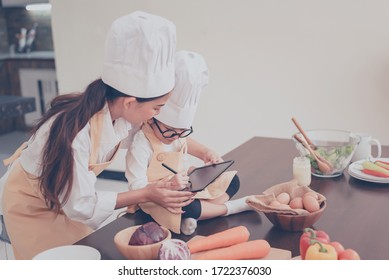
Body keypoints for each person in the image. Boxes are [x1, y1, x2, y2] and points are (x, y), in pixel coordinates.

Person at [0, 11, 194, 260]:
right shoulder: (75, 136)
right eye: (156, 108)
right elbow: (82, 205)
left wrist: (201, 151)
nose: (156, 116)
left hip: (64, 197)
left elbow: (160, 133)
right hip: (32, 205)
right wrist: (147, 193)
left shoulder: (116, 112)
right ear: (130, 102)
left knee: (88, 250)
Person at [125, 50, 252, 235]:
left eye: (182, 132)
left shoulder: (177, 135)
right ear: (152, 119)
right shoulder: (141, 144)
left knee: (233, 180)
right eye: (171, 131)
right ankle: (229, 208)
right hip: (158, 198)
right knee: (187, 207)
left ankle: (202, 212)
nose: (177, 137)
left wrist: (205, 155)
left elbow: (185, 147)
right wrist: (168, 186)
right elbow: (136, 187)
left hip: (186, 188)